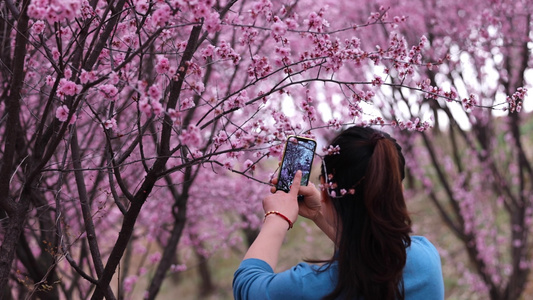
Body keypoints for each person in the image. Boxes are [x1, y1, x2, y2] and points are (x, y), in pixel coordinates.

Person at [233, 126, 445, 300]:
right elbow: (370, 256)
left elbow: (247, 286)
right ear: (399, 190)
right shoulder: (426, 257)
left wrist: (277, 217)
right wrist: (318, 215)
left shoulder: (311, 287)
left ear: (325, 187)